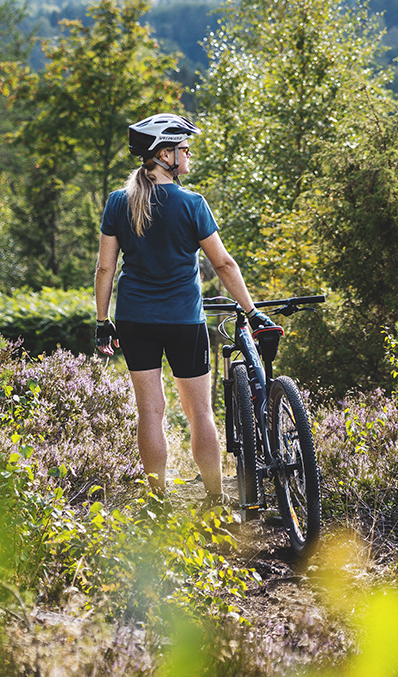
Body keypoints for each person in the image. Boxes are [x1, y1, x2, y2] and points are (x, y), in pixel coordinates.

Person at [94, 112, 279, 503]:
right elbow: (224, 264)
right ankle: (215, 496)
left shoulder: (116, 203)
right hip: (184, 320)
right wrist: (252, 311)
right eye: (184, 149)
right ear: (165, 154)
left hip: (134, 318)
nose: (189, 155)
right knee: (200, 413)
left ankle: (157, 498)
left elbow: (105, 267)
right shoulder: (193, 204)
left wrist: (102, 321)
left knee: (151, 412)